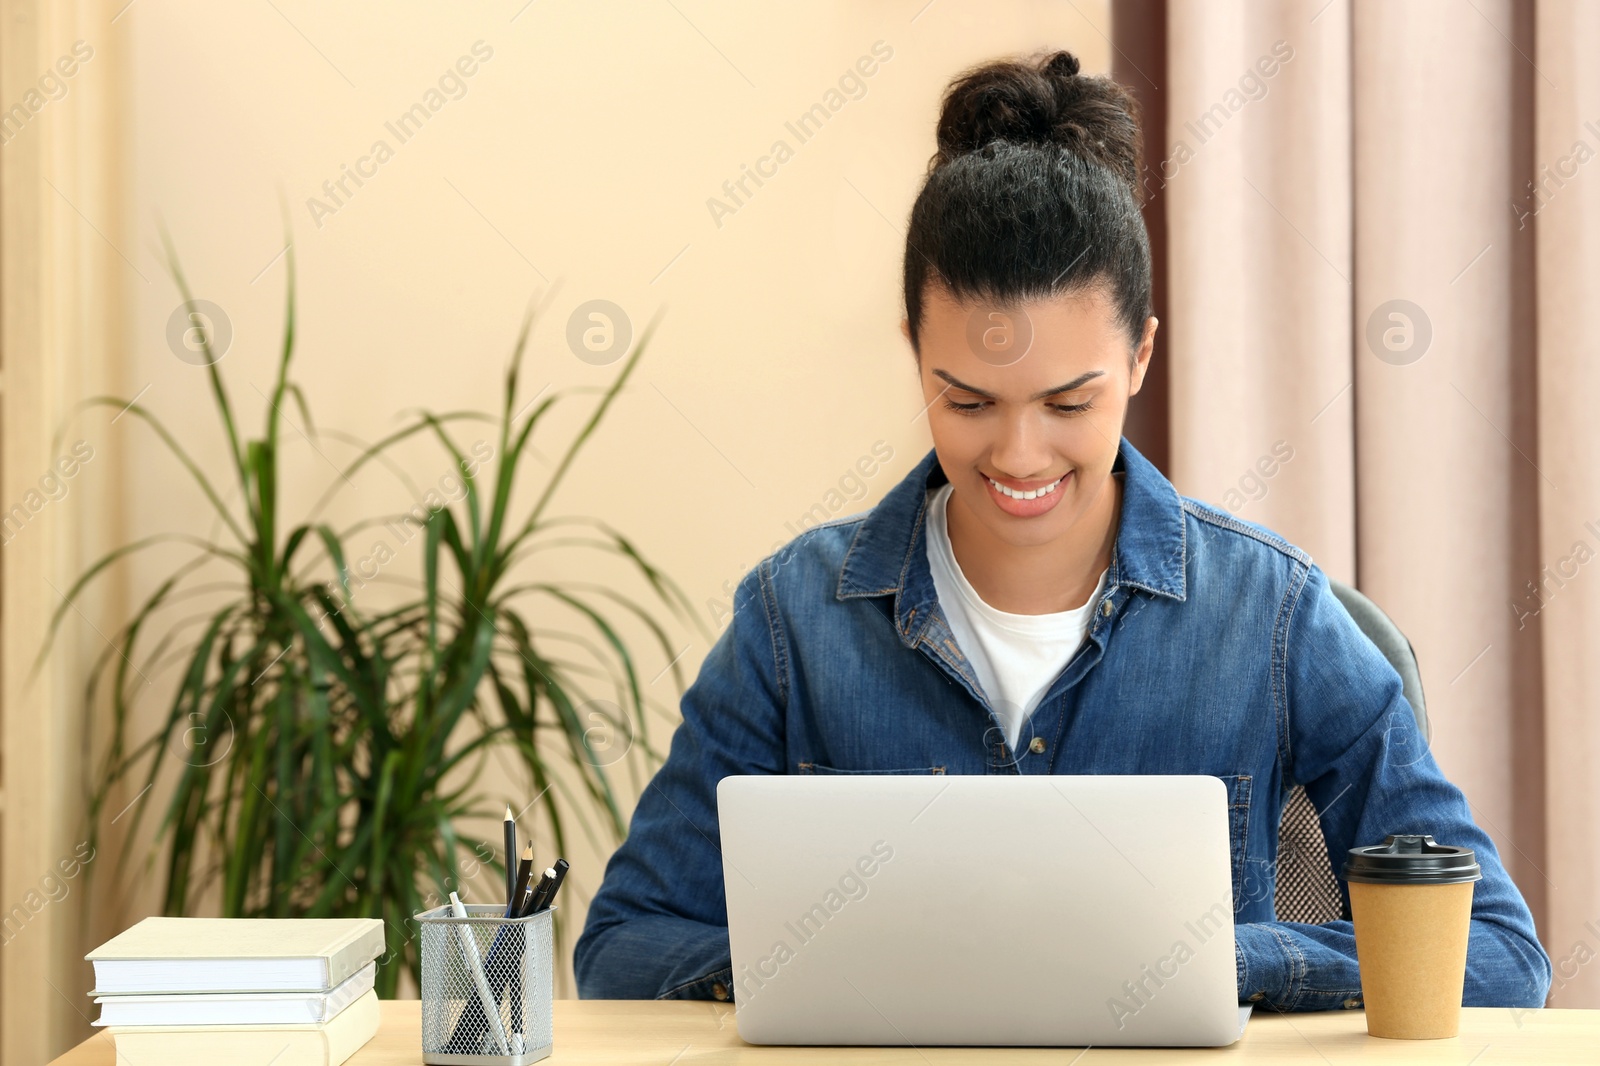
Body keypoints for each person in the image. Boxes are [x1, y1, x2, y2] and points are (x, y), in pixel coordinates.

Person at [574, 48, 1551, 1011]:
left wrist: (1224, 960)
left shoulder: (1274, 615)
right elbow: (623, 946)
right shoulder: (794, 618)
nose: (1019, 453)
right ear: (915, 350)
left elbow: (1498, 956)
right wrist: (835, 964)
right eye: (966, 400)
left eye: (1067, 402)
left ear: (1139, 356)